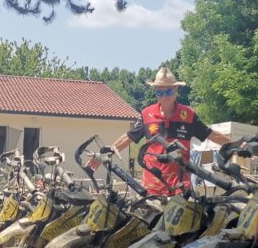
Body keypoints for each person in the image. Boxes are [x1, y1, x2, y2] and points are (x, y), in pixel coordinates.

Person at [94, 67, 233, 196]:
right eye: (159, 92)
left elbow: (211, 134)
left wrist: (236, 146)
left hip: (180, 186)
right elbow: (129, 137)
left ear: (176, 90)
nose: (164, 96)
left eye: (168, 91)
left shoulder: (188, 115)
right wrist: (105, 154)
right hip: (152, 186)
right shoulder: (147, 114)